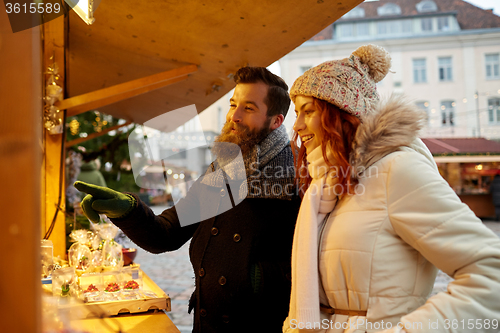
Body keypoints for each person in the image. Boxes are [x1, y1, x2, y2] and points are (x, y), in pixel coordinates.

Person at [283, 44, 500, 333]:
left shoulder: (396, 170)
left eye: (307, 111)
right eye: (296, 113)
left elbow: (491, 273)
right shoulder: (328, 188)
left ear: (343, 113)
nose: (296, 126)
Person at [75, 67, 301, 333]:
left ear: (276, 121)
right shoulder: (222, 169)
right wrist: (127, 209)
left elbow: (316, 263)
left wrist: (257, 278)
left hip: (260, 325)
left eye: (248, 108)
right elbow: (166, 234)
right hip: (209, 322)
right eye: (232, 105)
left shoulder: (297, 173)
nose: (234, 117)